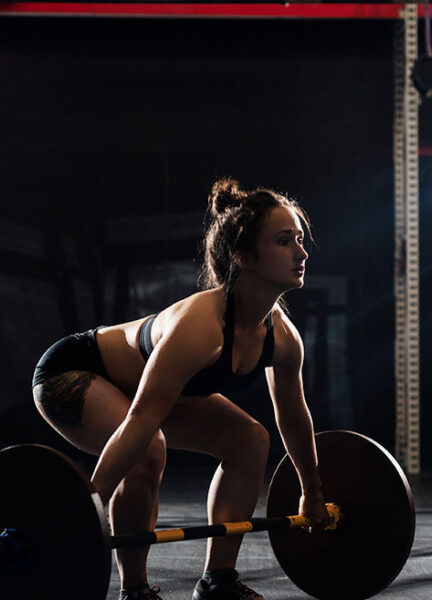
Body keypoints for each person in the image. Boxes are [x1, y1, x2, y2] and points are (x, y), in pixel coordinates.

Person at [31, 178, 331, 600]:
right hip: (72, 373)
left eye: (300, 239)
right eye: (285, 241)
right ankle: (134, 590)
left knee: (251, 440)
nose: (302, 253)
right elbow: (139, 421)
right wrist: (87, 510)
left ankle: (217, 581)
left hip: (147, 396)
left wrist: (312, 494)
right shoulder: (201, 328)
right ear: (243, 256)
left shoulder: (282, 338)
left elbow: (294, 418)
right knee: (148, 447)